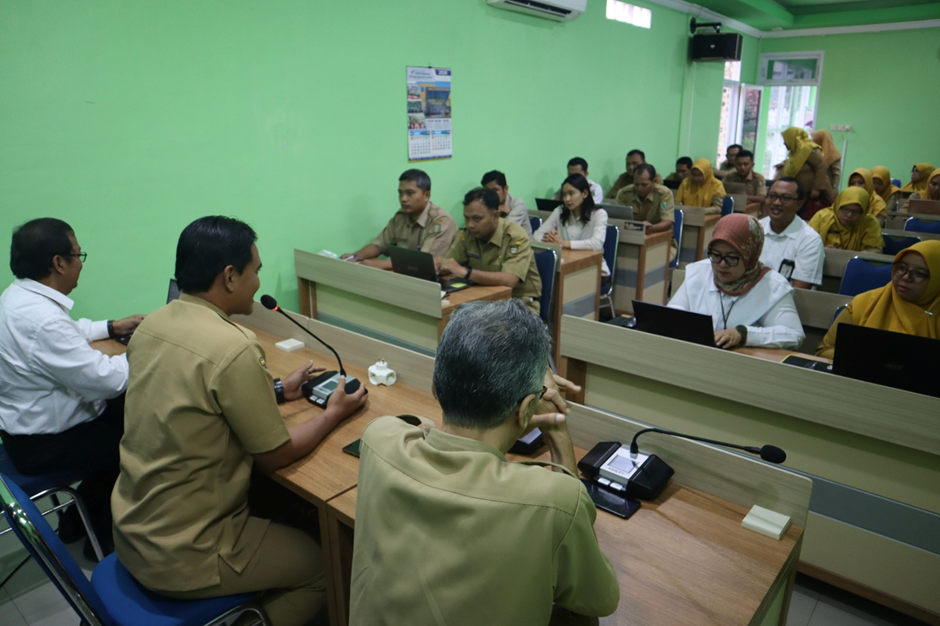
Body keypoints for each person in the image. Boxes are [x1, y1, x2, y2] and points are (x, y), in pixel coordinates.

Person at [112, 216, 368, 626]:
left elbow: (192, 396)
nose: (258, 282)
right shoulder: (234, 345)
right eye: (256, 271)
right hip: (188, 550)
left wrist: (277, 389)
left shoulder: (153, 324)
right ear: (230, 277)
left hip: (133, 528)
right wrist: (335, 412)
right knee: (328, 567)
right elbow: (276, 454)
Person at [348, 299, 620, 625]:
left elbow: (423, 426)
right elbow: (598, 599)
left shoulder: (378, 437)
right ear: (526, 410)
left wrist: (524, 393)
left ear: (435, 387)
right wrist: (557, 431)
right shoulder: (556, 502)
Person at [0, 218, 144, 559]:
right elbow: (109, 381)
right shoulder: (42, 319)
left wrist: (111, 327)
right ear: (59, 263)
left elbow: (64, 334)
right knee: (141, 439)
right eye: (78, 255)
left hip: (22, 432)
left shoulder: (17, 296)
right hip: (46, 443)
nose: (81, 263)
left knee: (125, 416)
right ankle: (104, 542)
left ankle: (76, 522)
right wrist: (144, 350)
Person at [668, 213, 804, 350]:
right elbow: (672, 314)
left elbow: (794, 335)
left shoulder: (772, 286)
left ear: (750, 256)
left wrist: (743, 334)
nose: (722, 264)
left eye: (732, 258)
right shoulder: (699, 272)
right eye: (716, 255)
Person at [816, 240, 940, 359]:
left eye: (919, 273)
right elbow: (824, 351)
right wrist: (864, 360)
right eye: (902, 267)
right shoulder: (864, 304)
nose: (906, 277)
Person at [441, 188, 542, 313]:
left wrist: (466, 272)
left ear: (495, 216)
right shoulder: (468, 235)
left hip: (518, 304)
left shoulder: (515, 236)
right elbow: (449, 263)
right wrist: (439, 265)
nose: (470, 225)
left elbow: (509, 280)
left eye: (477, 219)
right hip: (483, 300)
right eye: (466, 218)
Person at [342, 169, 457, 269]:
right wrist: (355, 256)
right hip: (407, 275)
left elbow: (423, 262)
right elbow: (379, 245)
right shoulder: (401, 216)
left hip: (439, 280)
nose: (403, 199)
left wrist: (380, 264)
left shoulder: (440, 221)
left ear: (426, 195)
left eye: (410, 193)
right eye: (400, 193)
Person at [534, 174, 609, 277]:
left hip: (593, 268)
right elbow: (536, 235)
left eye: (571, 193)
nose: (567, 199)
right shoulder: (560, 211)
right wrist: (549, 240)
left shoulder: (599, 214)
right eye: (564, 195)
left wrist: (562, 243)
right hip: (565, 265)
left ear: (585, 193)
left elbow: (596, 244)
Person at [759, 178, 825, 289]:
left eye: (785, 198)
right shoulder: (755, 228)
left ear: (799, 204)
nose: (776, 202)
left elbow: (799, 290)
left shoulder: (810, 240)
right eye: (772, 196)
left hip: (784, 299)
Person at [808, 187, 884, 252]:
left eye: (856, 212)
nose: (849, 215)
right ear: (838, 205)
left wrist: (847, 256)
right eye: (845, 209)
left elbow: (875, 250)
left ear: (863, 212)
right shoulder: (822, 217)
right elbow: (806, 243)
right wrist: (823, 251)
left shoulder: (869, 223)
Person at [778, 127, 830, 219]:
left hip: (810, 195)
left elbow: (821, 166)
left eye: (786, 139)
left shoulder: (808, 149)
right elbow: (797, 164)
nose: (784, 143)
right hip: (799, 193)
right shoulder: (796, 151)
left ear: (792, 138)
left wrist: (816, 189)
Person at [481, 170, 532, 235]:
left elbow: (504, 229)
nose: (491, 195)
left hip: (516, 241)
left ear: (505, 188)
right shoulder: (484, 204)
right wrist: (496, 209)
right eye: (488, 191)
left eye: (495, 190)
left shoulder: (518, 205)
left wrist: (491, 212)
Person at [723, 149, 767, 213]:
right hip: (732, 209)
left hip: (751, 210)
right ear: (735, 164)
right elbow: (720, 193)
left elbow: (762, 198)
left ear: (752, 165)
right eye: (739, 164)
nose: (742, 167)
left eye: (746, 164)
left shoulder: (758, 178)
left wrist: (742, 198)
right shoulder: (729, 177)